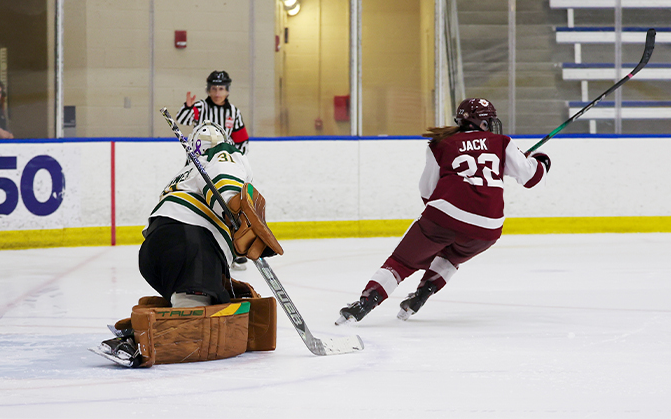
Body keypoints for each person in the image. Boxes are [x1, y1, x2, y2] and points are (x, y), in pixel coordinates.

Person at [336, 98, 552, 324]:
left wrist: (438, 220)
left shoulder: (441, 145)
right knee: (451, 257)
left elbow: (427, 190)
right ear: (484, 123)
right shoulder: (501, 143)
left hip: (444, 215)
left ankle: (364, 304)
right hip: (488, 228)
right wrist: (540, 160)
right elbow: (531, 178)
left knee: (402, 261)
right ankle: (421, 295)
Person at [92, 122, 283, 368]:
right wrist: (233, 208)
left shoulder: (185, 173)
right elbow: (224, 176)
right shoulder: (224, 153)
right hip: (191, 241)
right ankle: (137, 341)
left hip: (157, 249)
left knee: (211, 304)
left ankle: (153, 322)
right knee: (195, 327)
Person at [176, 70, 251, 270]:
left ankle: (235, 251)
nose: (217, 93)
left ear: (227, 90)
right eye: (213, 89)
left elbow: (242, 140)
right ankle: (194, 249)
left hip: (223, 168)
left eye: (221, 89)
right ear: (208, 90)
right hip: (198, 168)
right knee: (196, 206)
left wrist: (235, 160)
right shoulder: (200, 106)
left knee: (228, 208)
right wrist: (188, 107)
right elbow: (181, 119)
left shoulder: (233, 112)